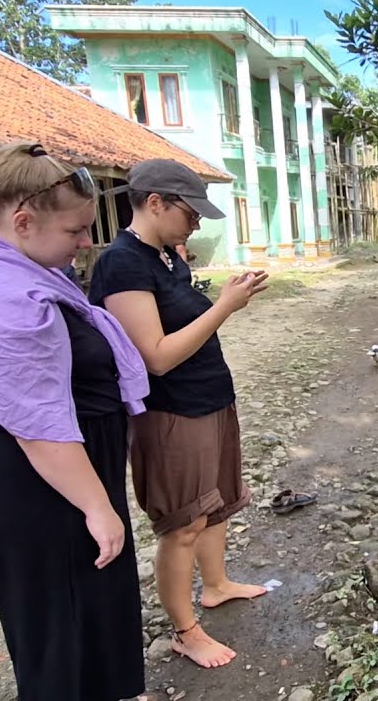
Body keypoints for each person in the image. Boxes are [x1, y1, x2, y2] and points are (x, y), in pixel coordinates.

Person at [0, 143, 150, 701]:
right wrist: (97, 507)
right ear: (23, 221)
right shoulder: (5, 300)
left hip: (62, 477)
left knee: (90, 617)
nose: (86, 241)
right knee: (58, 633)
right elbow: (38, 424)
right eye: (76, 230)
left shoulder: (10, 269)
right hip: (40, 485)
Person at [88, 159, 269, 669]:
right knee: (183, 523)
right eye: (190, 213)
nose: (198, 223)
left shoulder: (168, 256)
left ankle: (216, 585)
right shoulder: (121, 263)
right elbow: (157, 356)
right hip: (170, 411)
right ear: (154, 203)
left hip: (210, 397)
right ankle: (185, 631)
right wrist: (225, 306)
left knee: (216, 505)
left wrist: (225, 300)